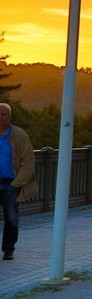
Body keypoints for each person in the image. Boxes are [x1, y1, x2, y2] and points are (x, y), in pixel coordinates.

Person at [0, 103, 36, 260]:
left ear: (10, 117)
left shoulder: (19, 135)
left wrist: (17, 183)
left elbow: (28, 161)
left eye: (3, 114)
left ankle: (9, 249)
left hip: (11, 183)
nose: (0, 117)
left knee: (11, 218)